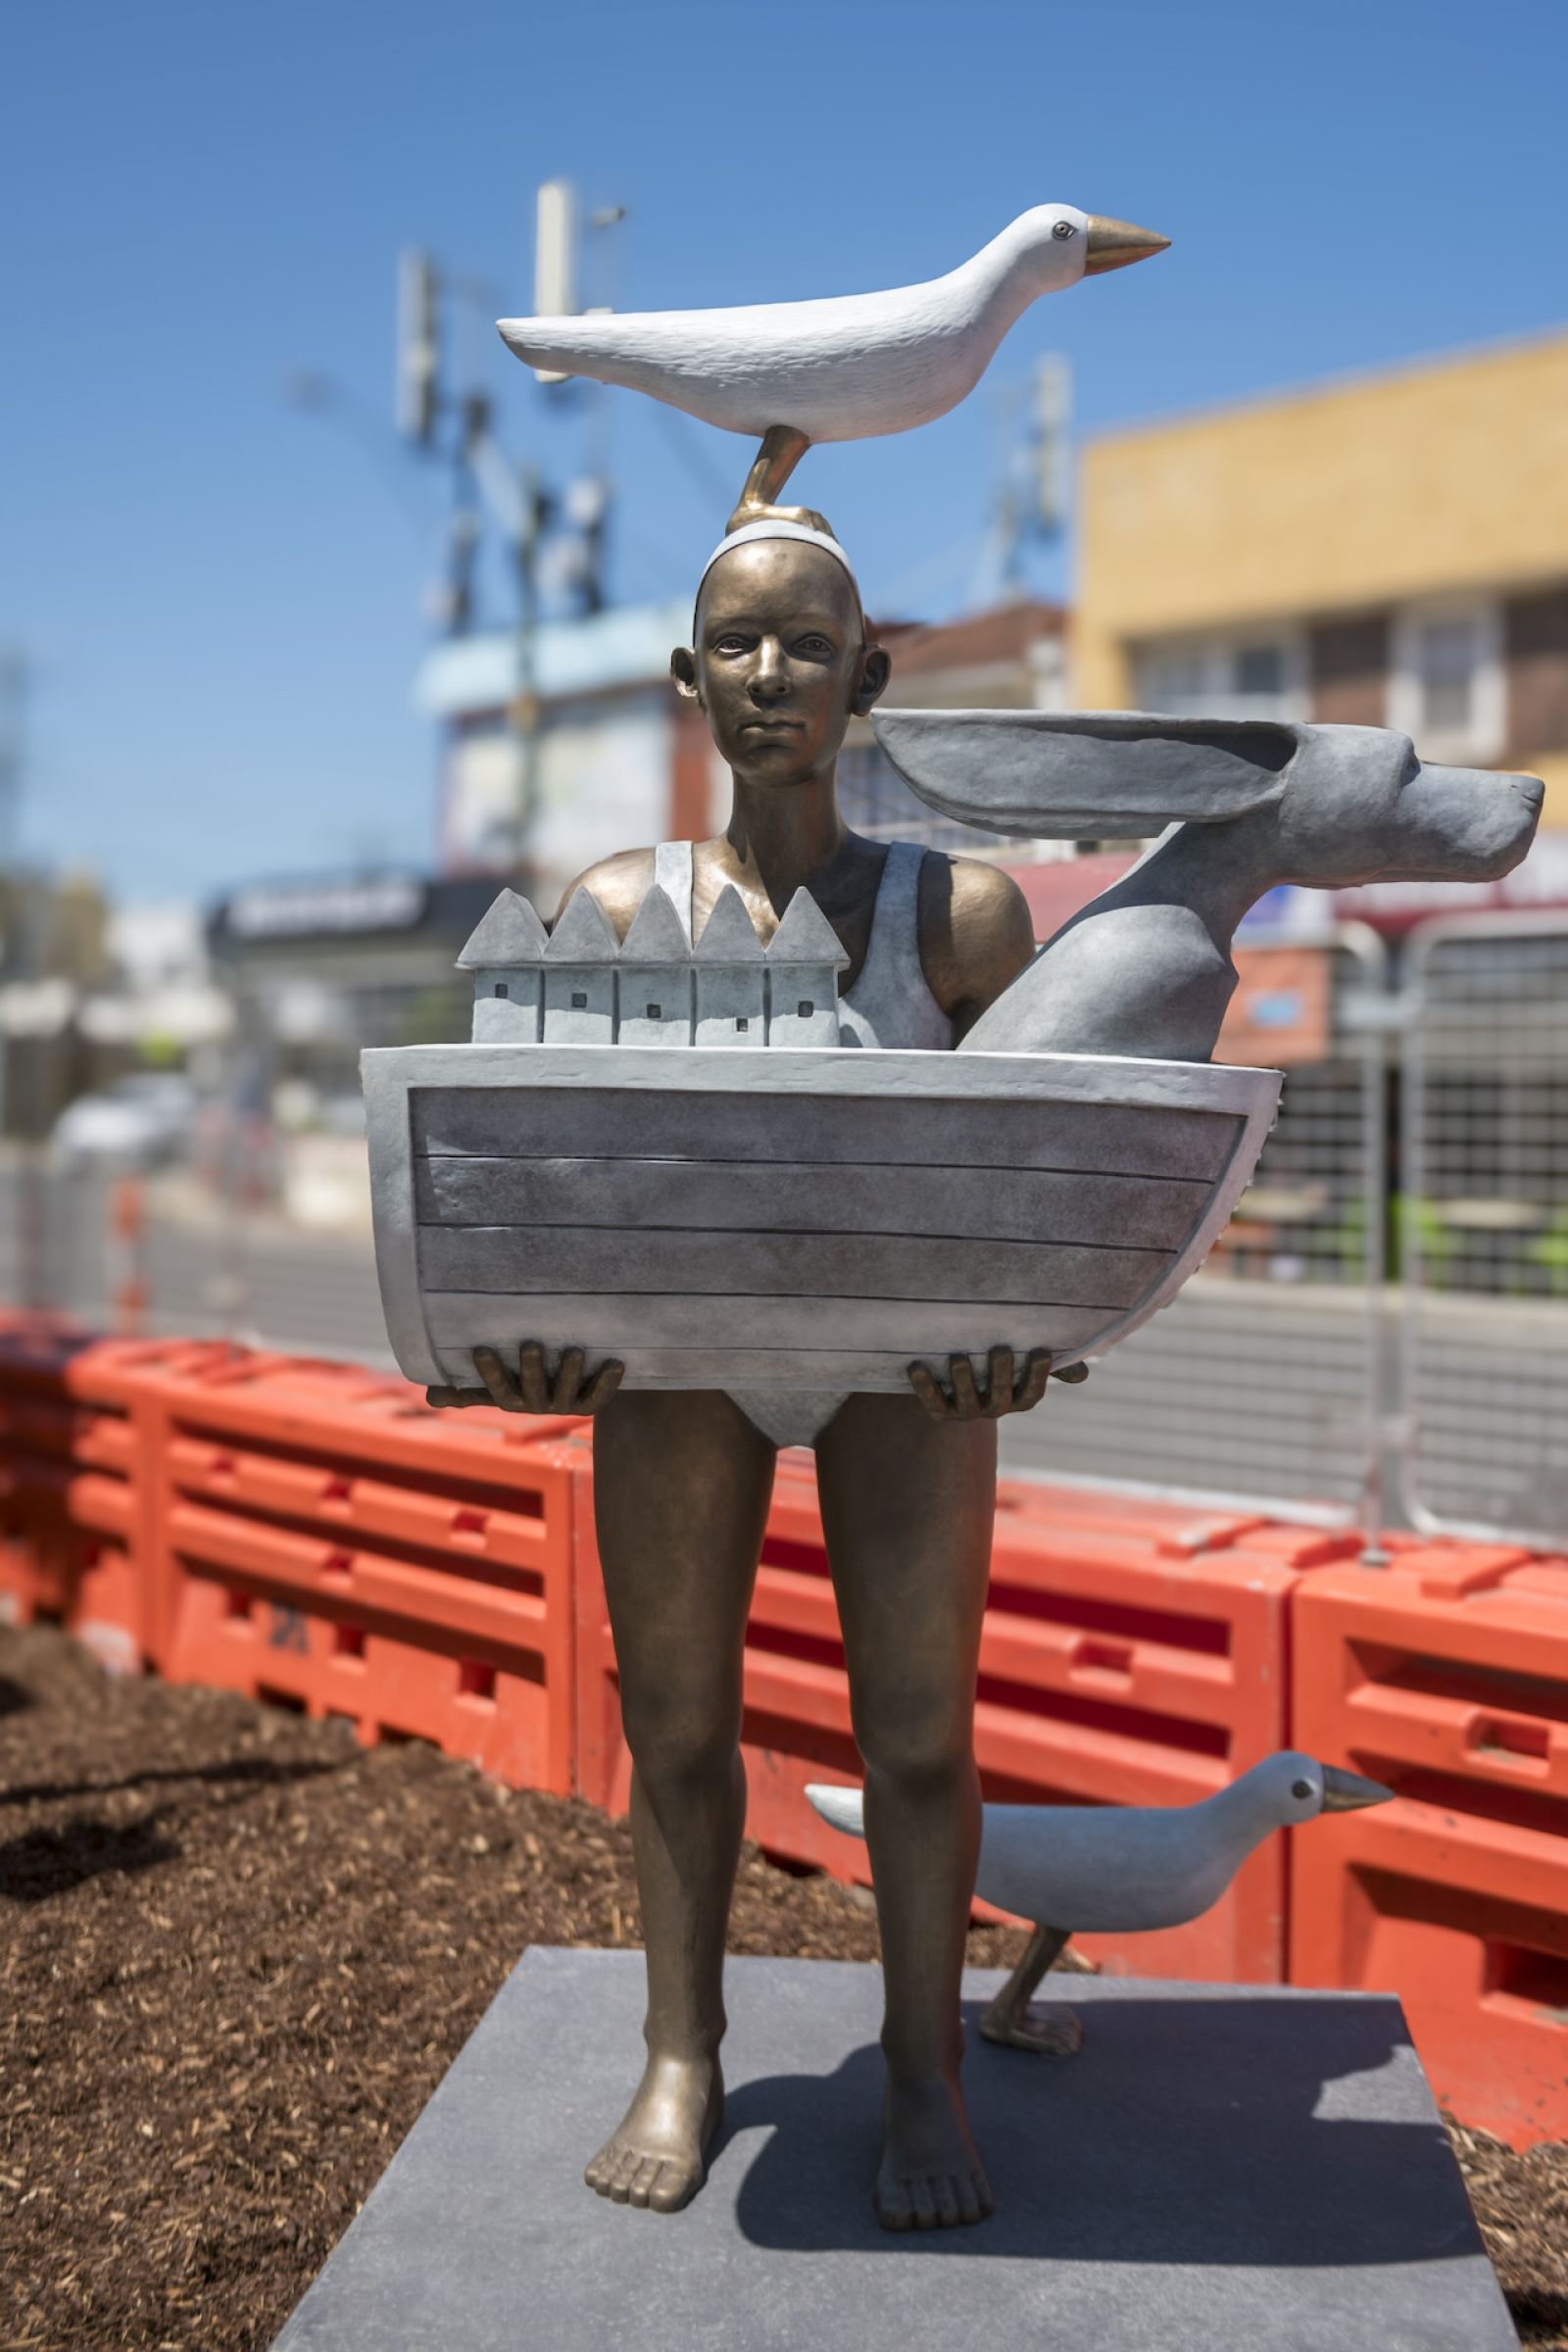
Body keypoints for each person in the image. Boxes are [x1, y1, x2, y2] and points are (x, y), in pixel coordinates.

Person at [445, 515, 1060, 2231]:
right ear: (686, 675)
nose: (772, 674)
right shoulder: (621, 911)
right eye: (737, 642)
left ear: (868, 674)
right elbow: (540, 1177)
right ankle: (681, 2045)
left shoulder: (962, 914)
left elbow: (1035, 1184)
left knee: (922, 1729)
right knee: (675, 1720)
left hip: (901, 1364)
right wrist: (532, 1343)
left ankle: (924, 2063)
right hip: (679, 1357)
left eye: (808, 644)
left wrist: (1018, 1347)